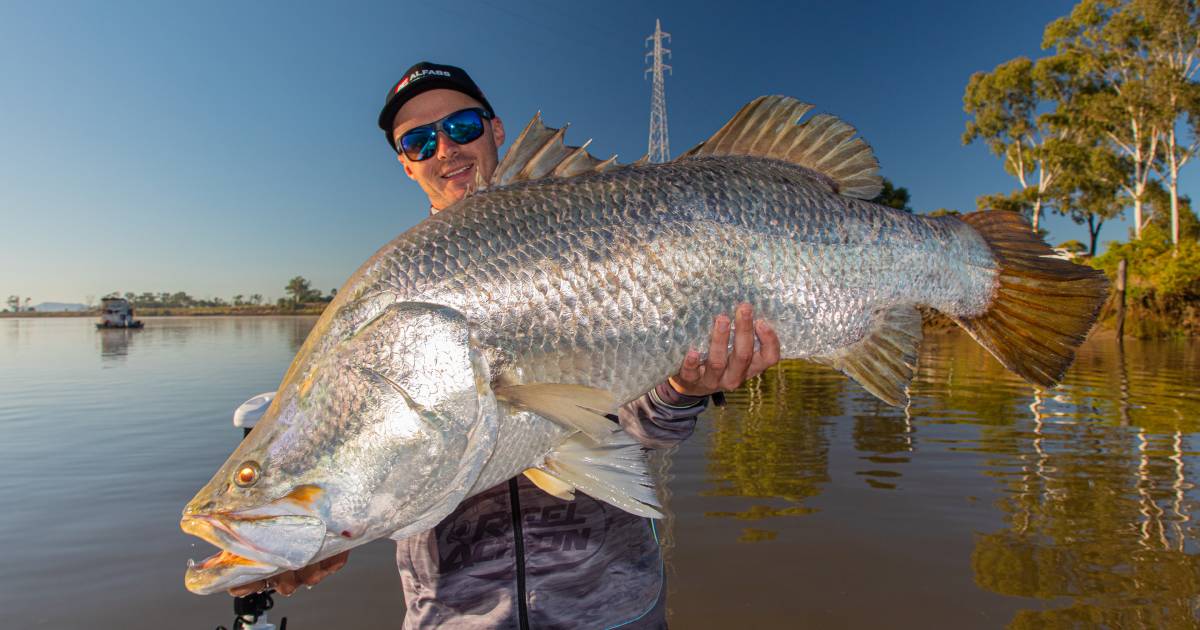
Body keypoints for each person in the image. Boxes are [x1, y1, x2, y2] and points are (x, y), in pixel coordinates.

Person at [231, 62, 781, 628]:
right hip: (453, 617)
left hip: (610, 608)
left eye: (461, 126)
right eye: (419, 140)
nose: (445, 148)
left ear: (496, 130)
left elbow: (642, 431)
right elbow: (377, 458)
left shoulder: (606, 241)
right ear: (405, 163)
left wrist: (684, 389)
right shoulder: (390, 292)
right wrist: (321, 529)